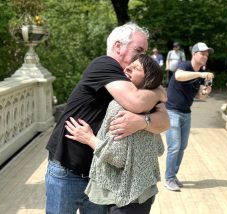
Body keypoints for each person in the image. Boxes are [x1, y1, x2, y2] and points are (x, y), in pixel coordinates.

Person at [45, 22, 169, 214]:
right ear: (118, 46)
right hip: (68, 169)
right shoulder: (104, 64)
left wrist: (142, 122)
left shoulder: (137, 82)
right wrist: (159, 91)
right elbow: (136, 102)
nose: (142, 57)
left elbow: (164, 122)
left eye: (144, 52)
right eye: (138, 50)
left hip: (103, 175)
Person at [65, 54, 169, 214]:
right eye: (130, 65)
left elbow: (117, 157)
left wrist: (89, 138)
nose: (127, 68)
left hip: (124, 196)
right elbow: (159, 148)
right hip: (145, 192)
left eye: (136, 68)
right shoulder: (153, 107)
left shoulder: (120, 107)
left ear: (148, 78)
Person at [164, 42, 214, 191]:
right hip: (172, 111)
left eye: (207, 54)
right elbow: (178, 76)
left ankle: (173, 175)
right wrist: (201, 74)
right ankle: (168, 179)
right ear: (194, 54)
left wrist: (206, 92)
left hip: (186, 113)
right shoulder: (185, 65)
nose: (205, 56)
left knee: (182, 147)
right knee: (174, 147)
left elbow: (200, 96)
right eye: (202, 53)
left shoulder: (200, 75)